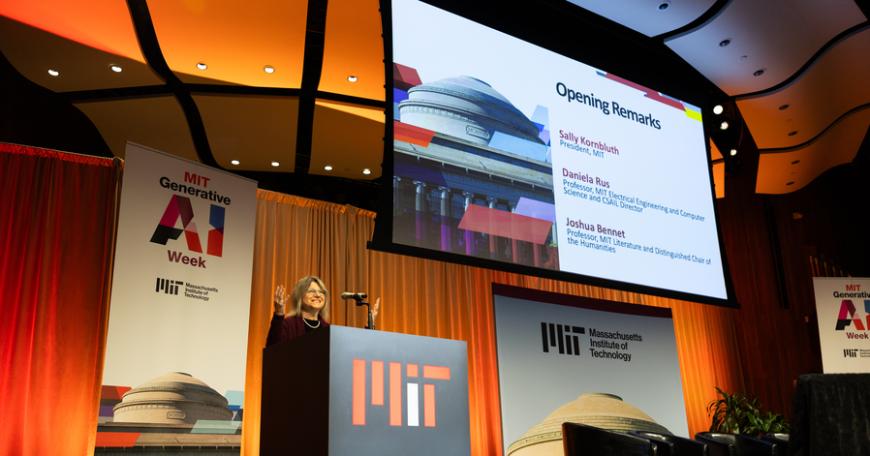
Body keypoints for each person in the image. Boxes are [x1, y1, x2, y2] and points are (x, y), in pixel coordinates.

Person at [266, 275, 379, 346]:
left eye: (321, 292)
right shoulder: (289, 324)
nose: (317, 295)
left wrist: (369, 325)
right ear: (300, 296)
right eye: (311, 291)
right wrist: (279, 314)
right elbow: (273, 349)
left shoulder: (328, 329)